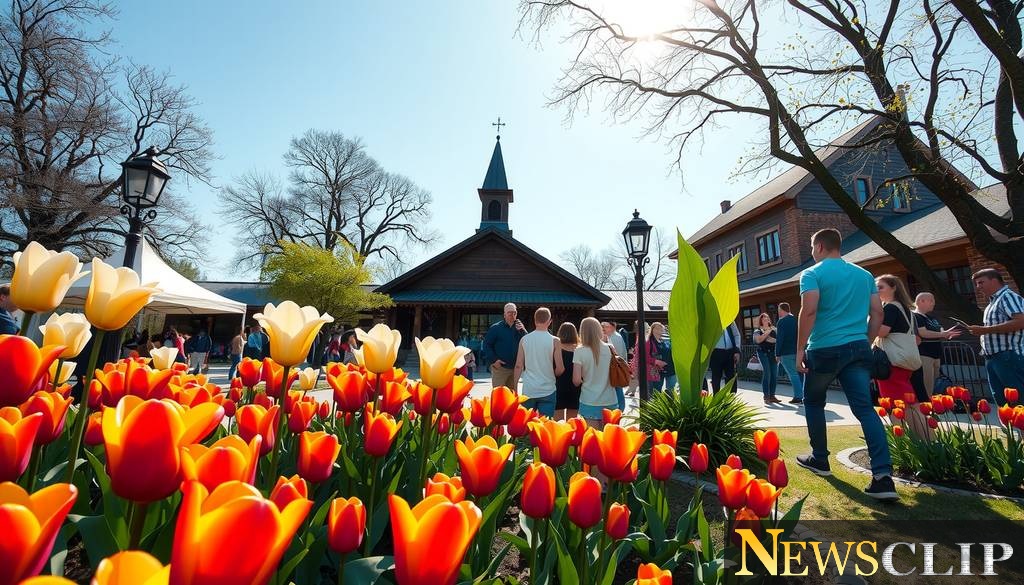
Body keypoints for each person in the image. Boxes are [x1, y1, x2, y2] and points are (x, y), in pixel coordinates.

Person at [795, 228, 897, 501]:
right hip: (858, 349)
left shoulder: (812, 274)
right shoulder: (864, 276)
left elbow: (810, 310)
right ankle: (883, 477)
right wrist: (866, 340)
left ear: (819, 247)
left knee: (814, 402)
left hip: (824, 349)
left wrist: (799, 350)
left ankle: (819, 459)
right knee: (865, 409)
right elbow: (877, 312)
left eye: (812, 247)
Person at [874, 275, 931, 440]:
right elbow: (917, 338)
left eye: (880, 287)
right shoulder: (907, 310)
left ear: (893, 288)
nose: (877, 291)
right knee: (910, 403)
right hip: (905, 362)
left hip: (892, 363)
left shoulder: (890, 308)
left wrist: (869, 320)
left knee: (896, 405)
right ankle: (924, 438)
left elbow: (882, 332)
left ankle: (906, 440)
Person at [966, 268, 1024, 405]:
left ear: (994, 280)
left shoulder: (1008, 297)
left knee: (1018, 398)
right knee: (1002, 399)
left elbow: (1021, 321)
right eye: (976, 284)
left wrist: (985, 330)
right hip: (992, 358)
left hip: (1008, 356)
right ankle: (1014, 427)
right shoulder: (992, 302)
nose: (978, 287)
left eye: (981, 282)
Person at [513, 308, 564, 417]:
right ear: (549, 322)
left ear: (535, 320)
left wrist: (515, 386)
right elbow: (560, 368)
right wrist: (552, 375)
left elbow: (518, 366)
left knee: (526, 425)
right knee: (544, 427)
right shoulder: (555, 341)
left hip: (529, 389)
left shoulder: (524, 339)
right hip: (548, 389)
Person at [913, 292, 960, 397]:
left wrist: (947, 334)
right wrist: (942, 334)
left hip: (936, 355)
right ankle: (927, 408)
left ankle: (931, 407)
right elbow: (923, 332)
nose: (933, 303)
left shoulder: (931, 318)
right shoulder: (915, 316)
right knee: (927, 385)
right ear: (921, 301)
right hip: (924, 354)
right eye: (931, 300)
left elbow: (940, 330)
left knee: (934, 384)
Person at [573, 317, 617, 426]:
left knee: (592, 439)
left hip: (589, 400)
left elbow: (576, 380)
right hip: (610, 399)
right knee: (608, 439)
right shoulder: (610, 348)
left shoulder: (579, 351)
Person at [483, 303, 527, 388]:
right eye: (509, 312)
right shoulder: (495, 328)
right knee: (498, 396)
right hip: (500, 368)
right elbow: (486, 345)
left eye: (514, 313)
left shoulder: (520, 328)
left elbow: (528, 343)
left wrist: (523, 330)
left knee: (511, 397)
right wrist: (494, 360)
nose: (512, 315)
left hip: (515, 368)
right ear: (504, 314)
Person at [775, 302, 803, 404]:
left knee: (793, 374)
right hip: (797, 351)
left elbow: (780, 339)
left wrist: (777, 354)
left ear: (782, 310)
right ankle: (803, 395)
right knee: (800, 374)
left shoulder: (781, 322)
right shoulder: (796, 320)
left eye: (779, 310)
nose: (778, 312)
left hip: (786, 353)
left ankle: (799, 397)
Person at [555, 322, 582, 420]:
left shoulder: (556, 348)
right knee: (572, 421)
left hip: (559, 385)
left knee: (558, 422)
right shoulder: (579, 349)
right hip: (576, 386)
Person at [753, 313, 780, 403]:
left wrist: (766, 336)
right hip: (763, 353)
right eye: (764, 319)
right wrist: (767, 333)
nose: (766, 320)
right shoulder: (757, 330)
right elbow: (758, 340)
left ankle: (772, 395)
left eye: (767, 318)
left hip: (774, 353)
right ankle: (766, 396)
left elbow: (775, 340)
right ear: (761, 320)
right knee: (767, 373)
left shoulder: (774, 329)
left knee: (774, 374)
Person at [709, 321, 741, 393]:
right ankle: (716, 399)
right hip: (715, 353)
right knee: (716, 378)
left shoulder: (730, 319)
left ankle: (731, 399)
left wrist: (737, 350)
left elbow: (736, 335)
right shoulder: (712, 318)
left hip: (730, 352)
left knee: (731, 377)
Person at [602, 321, 627, 409]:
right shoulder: (611, 337)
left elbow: (618, 354)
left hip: (614, 366)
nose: (604, 328)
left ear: (613, 327)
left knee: (617, 388)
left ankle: (620, 408)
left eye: (606, 326)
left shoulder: (616, 337)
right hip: (614, 366)